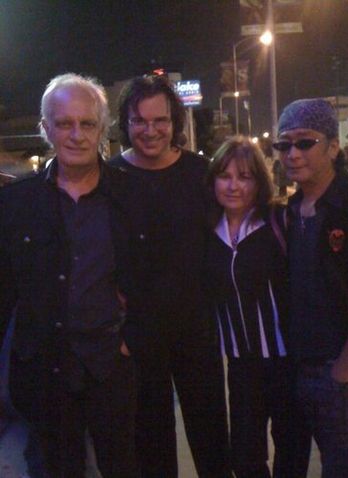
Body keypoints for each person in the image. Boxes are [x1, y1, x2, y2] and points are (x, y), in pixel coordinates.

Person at [0, 73, 137, 478]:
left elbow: (155, 279)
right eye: (64, 123)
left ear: (102, 129)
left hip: (111, 369)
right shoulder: (14, 203)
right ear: (46, 130)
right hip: (43, 374)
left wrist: (133, 340)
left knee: (120, 468)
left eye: (87, 123)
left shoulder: (132, 197)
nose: (76, 134)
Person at [109, 75, 230, 478]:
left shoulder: (202, 173)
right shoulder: (110, 179)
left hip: (197, 330)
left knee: (213, 441)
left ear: (175, 121)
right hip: (138, 337)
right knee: (151, 447)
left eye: (159, 120)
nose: (150, 130)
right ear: (125, 122)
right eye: (139, 120)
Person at [205, 136, 294, 478]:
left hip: (286, 361)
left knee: (291, 448)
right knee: (244, 457)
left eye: (244, 176)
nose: (233, 186)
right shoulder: (207, 232)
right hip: (241, 365)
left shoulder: (278, 222)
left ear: (259, 181)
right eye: (225, 176)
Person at [273, 98, 348, 478]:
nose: (293, 154)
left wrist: (342, 371)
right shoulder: (290, 211)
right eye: (284, 145)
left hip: (338, 371)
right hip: (295, 368)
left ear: (333, 147)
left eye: (305, 143)